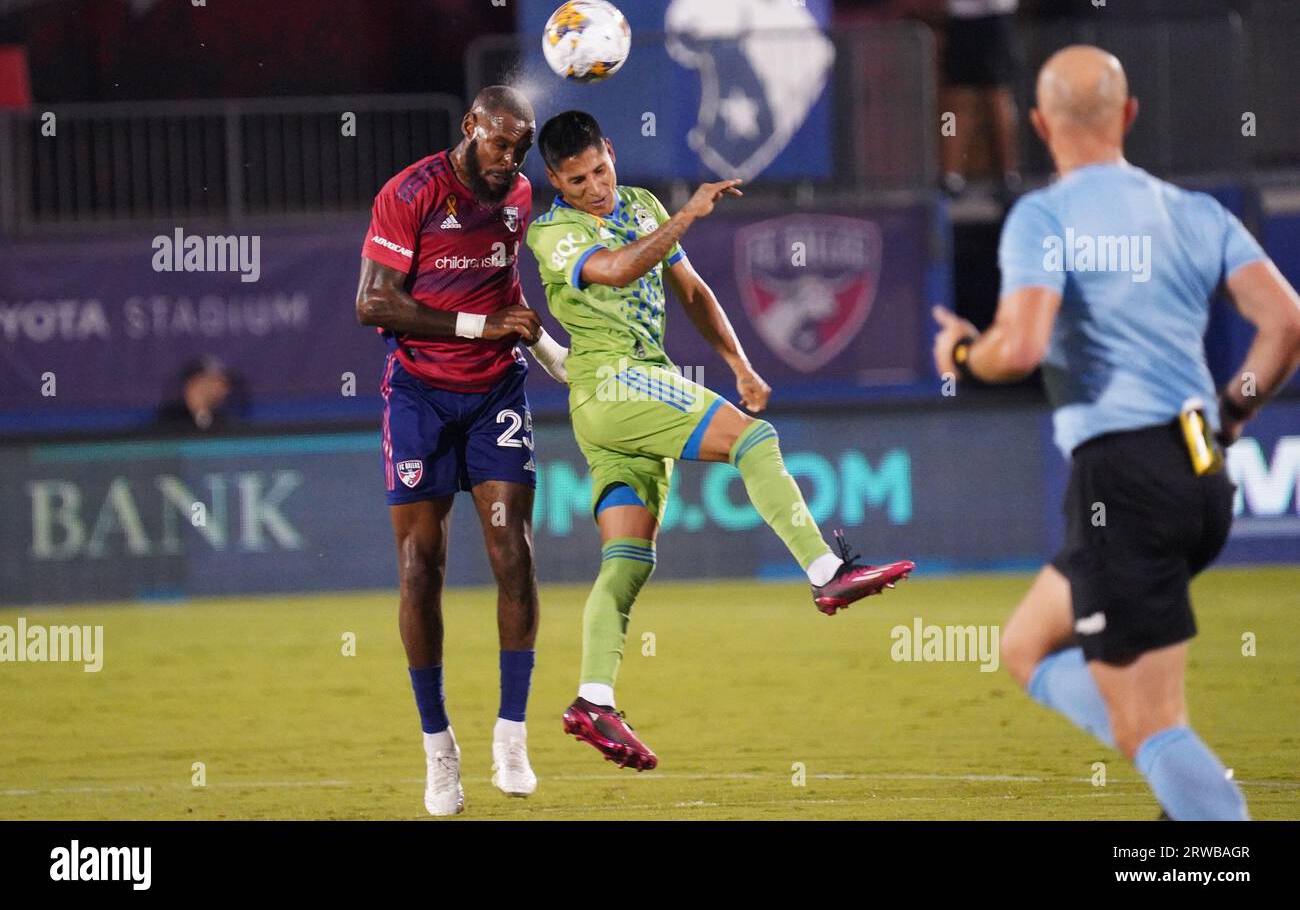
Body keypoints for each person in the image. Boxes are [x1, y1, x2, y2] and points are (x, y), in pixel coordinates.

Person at [932, 45, 1300, 820]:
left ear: (1037, 124)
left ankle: (1202, 810)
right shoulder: (1196, 212)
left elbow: (1020, 348)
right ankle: (1181, 781)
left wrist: (964, 351)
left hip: (1124, 481)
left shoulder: (1045, 215)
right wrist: (1234, 409)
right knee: (1025, 646)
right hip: (1200, 474)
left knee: (1150, 726)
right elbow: (1285, 321)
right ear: (1129, 115)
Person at [525, 110, 915, 771]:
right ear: (555, 182)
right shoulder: (554, 233)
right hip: (614, 386)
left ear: (611, 152)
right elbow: (618, 270)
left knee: (627, 562)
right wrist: (690, 216)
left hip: (631, 395)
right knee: (753, 440)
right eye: (576, 179)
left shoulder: (642, 203)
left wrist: (739, 363)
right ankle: (828, 574)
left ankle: (593, 701)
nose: (594, 187)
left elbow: (695, 293)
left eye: (600, 169)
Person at [354, 85, 569, 817]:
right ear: (470, 128)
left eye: (522, 147)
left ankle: (511, 734)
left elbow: (508, 291)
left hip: (495, 398)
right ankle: (438, 751)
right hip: (419, 397)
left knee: (515, 556)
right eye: (499, 143)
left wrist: (545, 350)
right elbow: (373, 304)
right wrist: (480, 327)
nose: (510, 159)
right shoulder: (410, 194)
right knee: (420, 571)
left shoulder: (519, 197)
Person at [929, 0, 1029, 198]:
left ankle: (1008, 175)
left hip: (995, 25)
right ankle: (951, 176)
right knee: (955, 103)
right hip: (960, 26)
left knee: (997, 98)